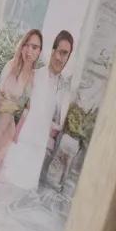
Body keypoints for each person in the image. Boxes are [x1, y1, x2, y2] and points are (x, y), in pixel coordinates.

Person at [0, 29, 41, 182]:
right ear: (22, 46)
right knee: (3, 115)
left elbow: (27, 108)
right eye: (27, 45)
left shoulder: (33, 77)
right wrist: (5, 107)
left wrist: (18, 132)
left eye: (35, 47)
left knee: (8, 118)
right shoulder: (10, 65)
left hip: (10, 122)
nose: (29, 50)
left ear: (39, 51)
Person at [37, 31, 75, 189]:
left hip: (53, 150)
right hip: (34, 143)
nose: (61, 58)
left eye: (66, 54)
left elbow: (62, 121)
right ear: (53, 51)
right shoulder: (37, 77)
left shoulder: (66, 88)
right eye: (60, 52)